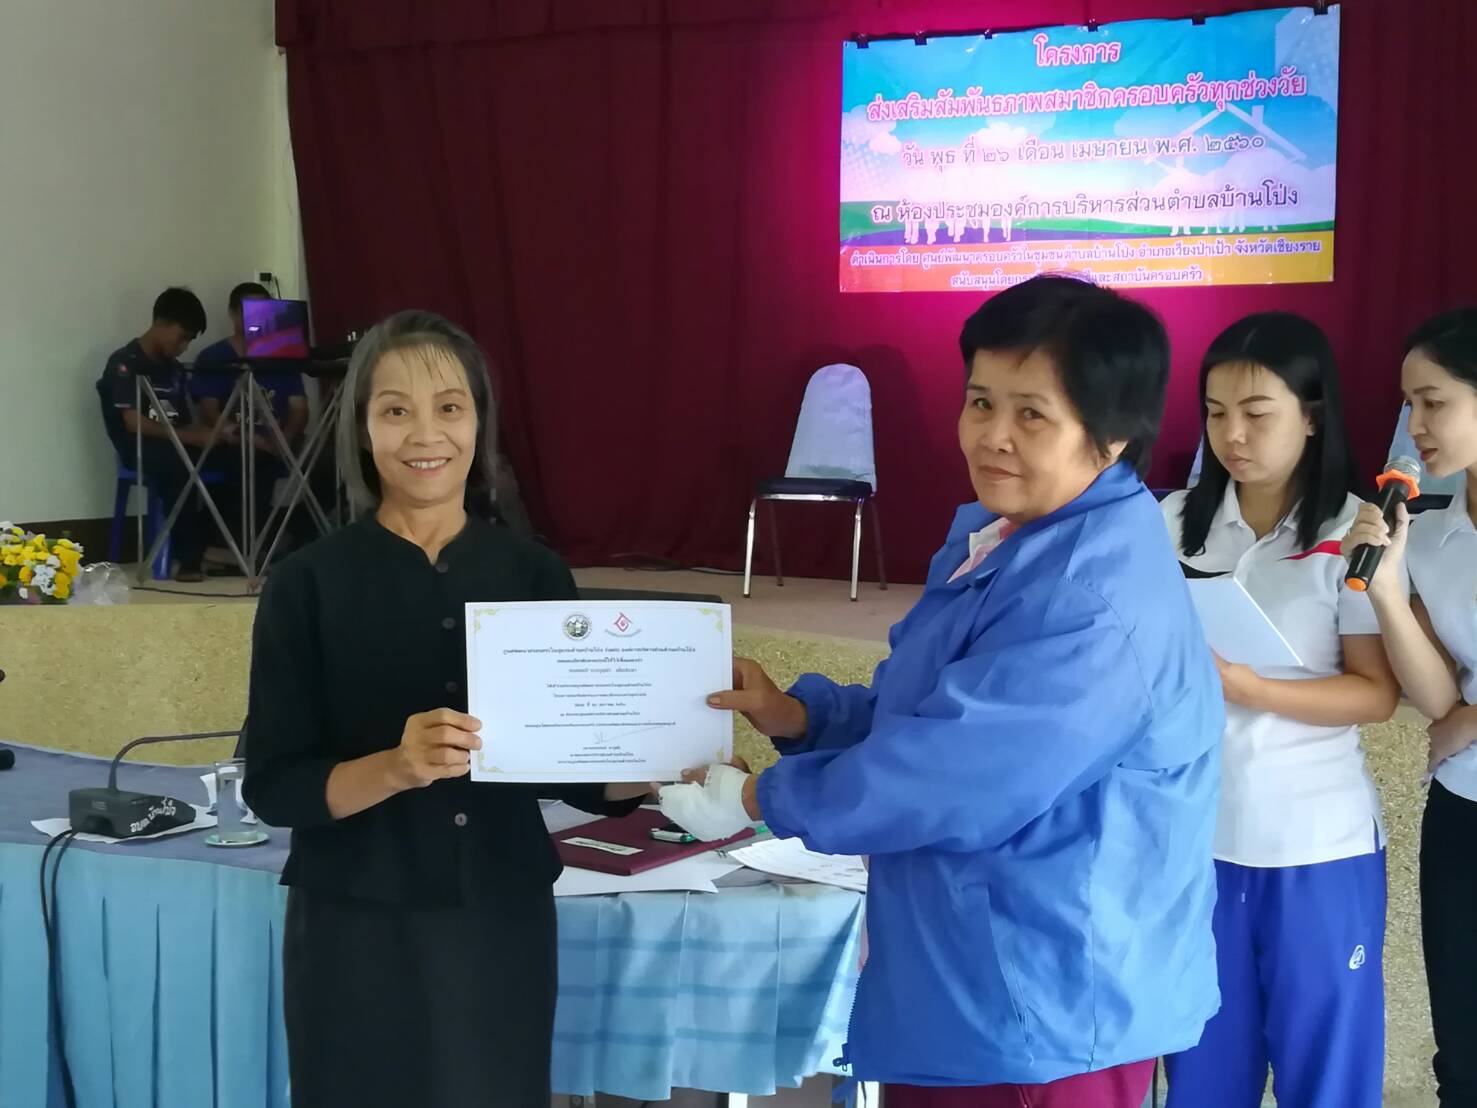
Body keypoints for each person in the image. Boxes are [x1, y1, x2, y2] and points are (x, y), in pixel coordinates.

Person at [660, 275, 1224, 1108]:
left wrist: (756, 798)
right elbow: (930, 709)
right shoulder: (1012, 537)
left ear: (1110, 437)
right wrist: (803, 715)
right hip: (977, 977)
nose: (992, 436)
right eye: (979, 402)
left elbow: (954, 774)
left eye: (1031, 415)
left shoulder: (1089, 596)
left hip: (1042, 1004)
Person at [241, 310, 648, 1108]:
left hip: (500, 916)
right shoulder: (306, 584)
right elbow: (276, 785)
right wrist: (394, 768)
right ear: (362, 429)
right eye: (395, 409)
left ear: (479, 423)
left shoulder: (533, 576)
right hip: (354, 924)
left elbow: (573, 774)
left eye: (449, 407)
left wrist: (659, 762)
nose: (425, 434)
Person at [1160, 314, 1400, 1108]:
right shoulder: (1172, 523)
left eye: (1256, 413)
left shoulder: (1353, 528)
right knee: (1202, 1078)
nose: (1232, 434)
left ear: (1312, 415)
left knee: (1324, 1079)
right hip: (1196, 842)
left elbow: (1373, 692)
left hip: (1315, 845)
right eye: (1214, 412)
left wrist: (1249, 688)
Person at [1339, 308, 1477, 1106]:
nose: (1413, 425)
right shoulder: (1433, 536)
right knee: (1461, 1050)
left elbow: (1460, 714)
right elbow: (1436, 699)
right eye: (1406, 404)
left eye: (1432, 402)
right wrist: (1386, 586)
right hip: (1461, 807)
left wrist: (1472, 718)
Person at [96, 287, 211, 581]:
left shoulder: (173, 370)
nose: (184, 346)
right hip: (139, 447)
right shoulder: (125, 362)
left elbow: (183, 421)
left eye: (189, 340)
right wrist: (191, 438)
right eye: (182, 337)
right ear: (161, 323)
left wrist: (214, 435)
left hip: (175, 442)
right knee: (179, 464)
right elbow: (133, 423)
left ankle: (222, 546)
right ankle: (190, 558)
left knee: (237, 458)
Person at [191, 282, 312, 555]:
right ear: (233, 314)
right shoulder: (214, 358)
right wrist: (248, 438)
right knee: (253, 462)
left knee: (328, 461)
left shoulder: (281, 356)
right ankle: (251, 545)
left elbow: (300, 408)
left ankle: (299, 538)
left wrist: (284, 438)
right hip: (234, 441)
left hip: (280, 439)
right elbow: (208, 412)